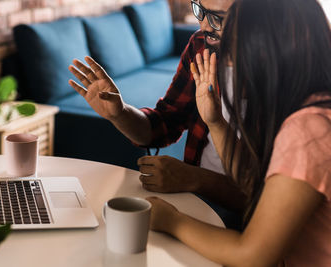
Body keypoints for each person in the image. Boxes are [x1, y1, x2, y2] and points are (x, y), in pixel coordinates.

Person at [147, 0, 331, 265]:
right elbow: (257, 189)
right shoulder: (313, 106)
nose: (229, 66)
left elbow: (252, 255)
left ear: (274, 51)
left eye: (237, 53)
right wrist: (216, 122)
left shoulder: (309, 130)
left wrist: (171, 220)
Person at [68, 0, 246, 228]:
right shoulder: (200, 46)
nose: (203, 26)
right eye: (200, 10)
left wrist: (195, 178)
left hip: (248, 219)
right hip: (198, 201)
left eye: (217, 18)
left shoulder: (286, 74)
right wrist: (120, 113)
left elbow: (264, 195)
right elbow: (163, 125)